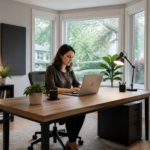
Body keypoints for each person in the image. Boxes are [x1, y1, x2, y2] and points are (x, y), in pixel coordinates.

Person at [45, 44, 86, 150]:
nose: (71, 59)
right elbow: (51, 88)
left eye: (72, 57)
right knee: (72, 111)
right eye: (68, 56)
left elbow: (77, 83)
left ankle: (71, 141)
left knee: (82, 111)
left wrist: (81, 88)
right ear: (60, 55)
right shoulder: (51, 69)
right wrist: (69, 90)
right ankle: (73, 144)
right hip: (53, 102)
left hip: (67, 101)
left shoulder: (70, 70)